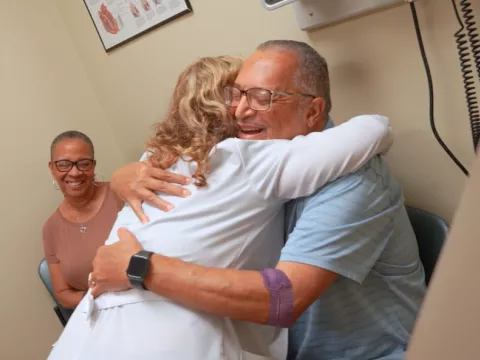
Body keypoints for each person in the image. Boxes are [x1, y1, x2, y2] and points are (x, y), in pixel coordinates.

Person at [96, 41, 426, 360]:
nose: (239, 110)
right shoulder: (262, 163)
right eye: (237, 94)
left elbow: (284, 297)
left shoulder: (355, 182)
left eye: (262, 97)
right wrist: (126, 178)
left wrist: (140, 266)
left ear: (312, 111)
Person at [42, 131, 124, 309]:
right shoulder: (51, 229)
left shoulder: (121, 193)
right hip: (100, 314)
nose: (75, 172)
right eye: (64, 164)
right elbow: (63, 294)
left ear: (93, 166)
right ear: (52, 168)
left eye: (84, 163)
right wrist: (105, 302)